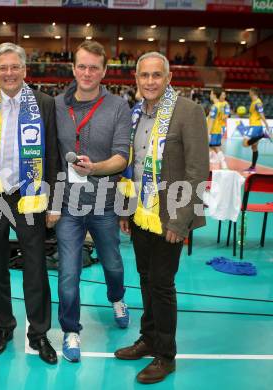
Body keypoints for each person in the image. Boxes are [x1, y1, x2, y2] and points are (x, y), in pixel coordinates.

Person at [115, 52, 209, 384]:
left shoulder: (188, 111)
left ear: (168, 78)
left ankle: (166, 355)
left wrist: (180, 222)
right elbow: (132, 165)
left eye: (157, 75)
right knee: (144, 277)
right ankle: (149, 338)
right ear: (136, 80)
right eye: (144, 75)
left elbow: (198, 172)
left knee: (162, 284)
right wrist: (126, 209)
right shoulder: (136, 114)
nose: (150, 81)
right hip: (141, 213)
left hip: (170, 216)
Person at [0, 42, 60, 365]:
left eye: (14, 67)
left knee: (35, 267)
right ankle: (4, 326)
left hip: (31, 195)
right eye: (2, 68)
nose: (9, 73)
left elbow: (54, 154)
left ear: (25, 70)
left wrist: (55, 202)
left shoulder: (44, 103)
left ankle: (39, 332)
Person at [54, 40, 131, 363]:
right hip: (68, 204)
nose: (87, 73)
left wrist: (95, 168)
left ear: (104, 71)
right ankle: (71, 330)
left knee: (112, 263)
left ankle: (117, 298)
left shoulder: (118, 107)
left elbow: (122, 157)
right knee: (68, 273)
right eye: (82, 66)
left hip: (105, 202)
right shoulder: (56, 105)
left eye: (94, 67)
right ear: (73, 68)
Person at [242, 87, 270, 173]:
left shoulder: (258, 103)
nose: (249, 93)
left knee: (245, 144)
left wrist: (266, 123)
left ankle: (263, 135)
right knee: (254, 147)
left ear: (253, 93)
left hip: (255, 126)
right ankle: (253, 167)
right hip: (255, 125)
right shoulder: (254, 102)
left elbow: (261, 114)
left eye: (249, 92)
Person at [208, 88, 230, 169]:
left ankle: (223, 163)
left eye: (211, 93)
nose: (210, 95)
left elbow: (212, 120)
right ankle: (216, 160)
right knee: (211, 146)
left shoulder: (215, 106)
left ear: (214, 95)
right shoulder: (220, 105)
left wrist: (207, 133)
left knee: (215, 147)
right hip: (217, 129)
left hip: (214, 129)